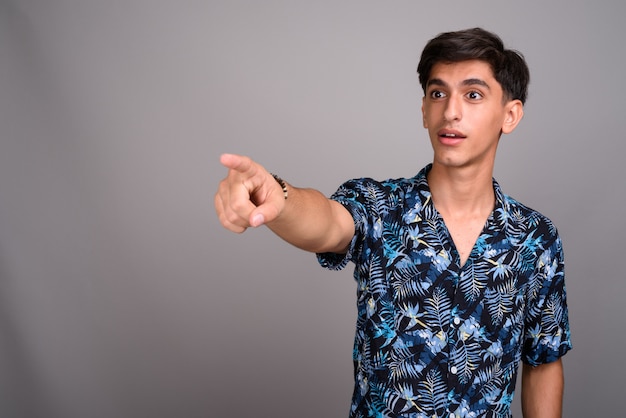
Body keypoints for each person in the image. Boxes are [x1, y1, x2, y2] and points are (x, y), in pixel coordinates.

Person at [215, 27, 572, 418]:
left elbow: (543, 358)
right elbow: (327, 223)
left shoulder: (534, 238)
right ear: (424, 110)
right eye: (438, 93)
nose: (451, 110)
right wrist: (278, 196)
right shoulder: (380, 207)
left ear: (510, 114)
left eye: (473, 95)